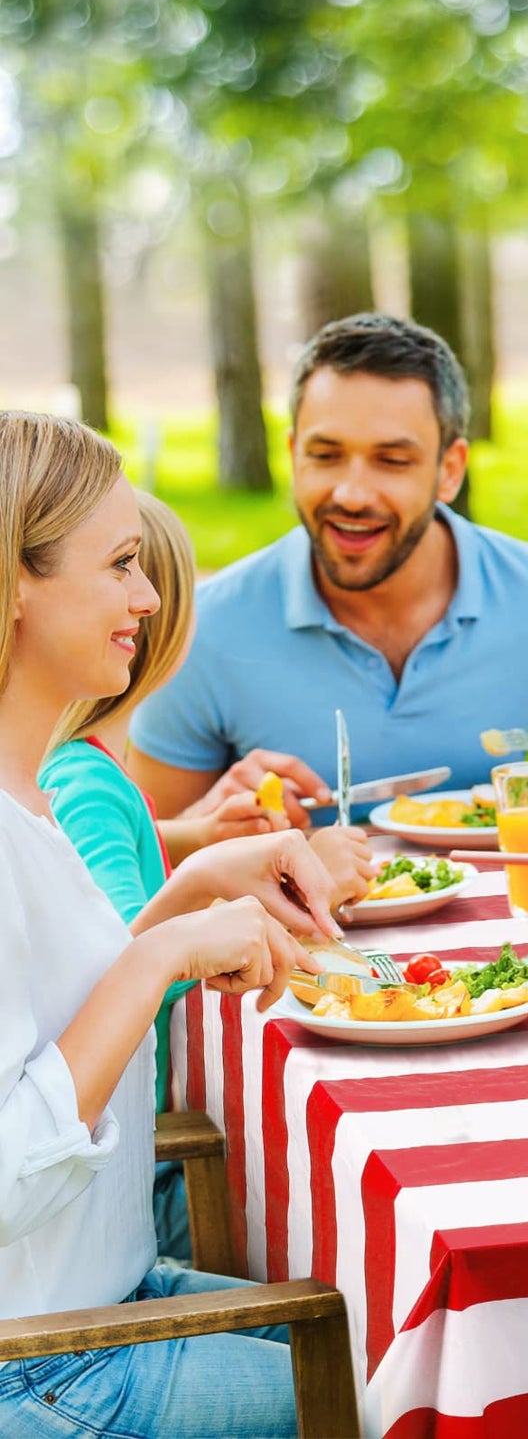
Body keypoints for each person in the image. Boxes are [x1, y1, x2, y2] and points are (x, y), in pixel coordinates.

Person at [0, 411, 338, 1435]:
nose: (149, 597)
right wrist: (160, 953)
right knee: (434, 1402)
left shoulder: (33, 802)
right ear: (15, 579)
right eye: (119, 565)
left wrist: (191, 891)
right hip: (47, 1364)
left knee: (409, 1332)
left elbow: (44, 1017)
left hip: (103, 1305)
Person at [128, 313, 528, 823]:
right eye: (326, 455)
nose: (352, 494)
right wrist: (209, 820)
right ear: (294, 456)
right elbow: (137, 857)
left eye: (392, 461)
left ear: (449, 471)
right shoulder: (206, 628)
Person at [38, 491, 372, 1259]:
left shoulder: (90, 771)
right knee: (304, 1216)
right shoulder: (84, 781)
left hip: (124, 1150)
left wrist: (195, 834)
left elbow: (94, 875)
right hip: (138, 1174)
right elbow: (125, 961)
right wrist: (273, 886)